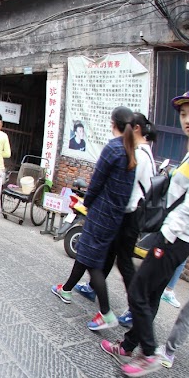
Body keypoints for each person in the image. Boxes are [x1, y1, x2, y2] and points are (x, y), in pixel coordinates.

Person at [102, 91, 189, 376]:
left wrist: (168, 234)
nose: (186, 120)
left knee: (139, 289)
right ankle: (129, 345)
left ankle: (149, 353)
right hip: (176, 237)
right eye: (184, 114)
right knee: (149, 294)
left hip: (175, 237)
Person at [52, 106, 136, 331]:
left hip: (100, 214)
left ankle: (106, 312)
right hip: (115, 217)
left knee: (93, 263)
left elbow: (97, 181)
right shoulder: (130, 150)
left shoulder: (113, 148)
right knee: (88, 254)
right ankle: (67, 289)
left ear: (113, 124)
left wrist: (85, 203)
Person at [74, 113, 157, 327]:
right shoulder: (133, 150)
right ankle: (93, 287)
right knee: (108, 252)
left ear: (136, 128)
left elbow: (128, 188)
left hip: (130, 215)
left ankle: (135, 309)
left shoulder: (139, 153)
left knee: (125, 262)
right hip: (121, 213)